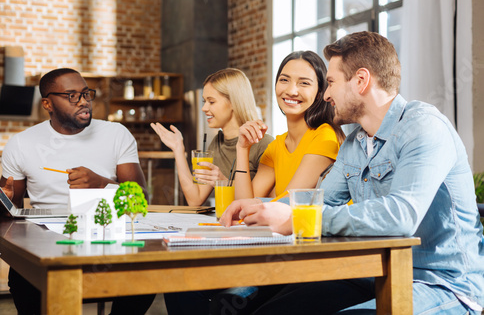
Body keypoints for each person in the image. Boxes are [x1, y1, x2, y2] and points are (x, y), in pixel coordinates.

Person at [221, 31, 484, 314]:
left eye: (331, 82)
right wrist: (258, 209)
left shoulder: (424, 127)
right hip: (375, 273)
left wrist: (295, 219)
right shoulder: (355, 143)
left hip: (442, 285)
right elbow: (317, 201)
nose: (326, 94)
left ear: (360, 81)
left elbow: (401, 216)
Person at [0, 68, 153, 315]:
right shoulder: (22, 143)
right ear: (47, 103)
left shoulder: (116, 134)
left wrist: (101, 183)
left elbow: (140, 199)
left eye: (86, 93)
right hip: (46, 241)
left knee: (145, 278)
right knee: (24, 283)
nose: (84, 101)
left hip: (108, 236)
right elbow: (9, 212)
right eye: (72, 96)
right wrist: (1, 200)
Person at [151, 68, 273, 206]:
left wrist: (222, 181)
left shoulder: (265, 145)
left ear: (233, 102)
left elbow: (251, 205)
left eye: (211, 102)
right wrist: (178, 149)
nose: (204, 108)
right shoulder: (217, 143)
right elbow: (195, 199)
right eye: (204, 101)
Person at [234, 50, 344, 200]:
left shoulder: (325, 137)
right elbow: (243, 204)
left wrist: (261, 203)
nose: (291, 91)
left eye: (304, 83)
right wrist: (242, 148)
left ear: (320, 92)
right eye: (284, 80)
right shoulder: (276, 146)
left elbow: (287, 204)